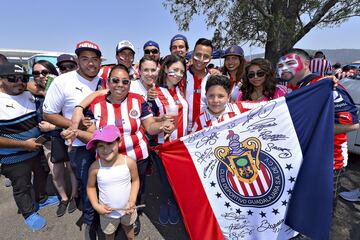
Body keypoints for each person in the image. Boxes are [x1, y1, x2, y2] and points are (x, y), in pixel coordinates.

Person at [67, 63, 174, 235]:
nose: (120, 85)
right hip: (108, 161)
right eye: (115, 80)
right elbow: (93, 136)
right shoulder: (95, 104)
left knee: (136, 190)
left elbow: (149, 127)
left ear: (129, 84)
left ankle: (133, 217)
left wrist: (162, 125)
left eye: (125, 82)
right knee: (111, 192)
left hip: (138, 157)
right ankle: (111, 220)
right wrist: (76, 132)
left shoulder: (138, 100)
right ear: (108, 82)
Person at [277, 48, 359, 208]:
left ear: (306, 63)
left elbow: (351, 124)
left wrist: (309, 129)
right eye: (280, 65)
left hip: (329, 161)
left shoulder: (325, 86)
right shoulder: (292, 88)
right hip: (302, 159)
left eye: (290, 63)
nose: (284, 68)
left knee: (322, 210)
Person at [43, 40, 104, 239]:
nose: (91, 64)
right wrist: (74, 124)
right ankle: (90, 222)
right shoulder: (63, 81)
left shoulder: (106, 79)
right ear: (77, 60)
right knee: (88, 185)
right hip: (81, 146)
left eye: (95, 59)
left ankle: (106, 217)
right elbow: (49, 114)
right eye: (85, 59)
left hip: (107, 144)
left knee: (106, 183)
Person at [0, 63, 49, 231]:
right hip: (14, 156)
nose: (19, 82)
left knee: (41, 175)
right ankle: (28, 212)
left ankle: (42, 198)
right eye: (13, 78)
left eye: (23, 78)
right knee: (22, 185)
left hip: (37, 149)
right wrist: (23, 144)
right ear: (1, 80)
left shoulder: (28, 94)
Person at [31, 60, 78, 217]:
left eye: (45, 72)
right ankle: (63, 199)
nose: (41, 76)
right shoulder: (31, 92)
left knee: (72, 169)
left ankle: (74, 196)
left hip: (67, 136)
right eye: (36, 73)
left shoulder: (61, 88)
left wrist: (54, 126)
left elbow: (70, 117)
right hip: (49, 141)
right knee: (56, 172)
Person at [148, 54, 189, 225]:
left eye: (181, 71)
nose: (178, 74)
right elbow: (148, 119)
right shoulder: (153, 92)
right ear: (165, 69)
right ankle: (167, 204)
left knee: (177, 178)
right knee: (166, 180)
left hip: (181, 143)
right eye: (174, 70)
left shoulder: (180, 91)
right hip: (162, 145)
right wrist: (160, 123)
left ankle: (174, 203)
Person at [87, 125, 139, 240]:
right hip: (107, 213)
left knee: (129, 228)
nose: (105, 149)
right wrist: (96, 206)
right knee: (109, 234)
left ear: (119, 142)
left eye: (110, 143)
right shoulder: (95, 167)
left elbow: (135, 181)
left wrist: (132, 200)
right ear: (96, 148)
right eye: (100, 145)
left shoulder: (129, 162)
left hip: (128, 209)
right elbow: (90, 187)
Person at [185, 38, 213, 131]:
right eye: (198, 55)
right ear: (192, 55)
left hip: (204, 130)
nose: (201, 60)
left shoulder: (213, 79)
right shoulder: (181, 76)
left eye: (205, 56)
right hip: (182, 130)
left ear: (210, 59)